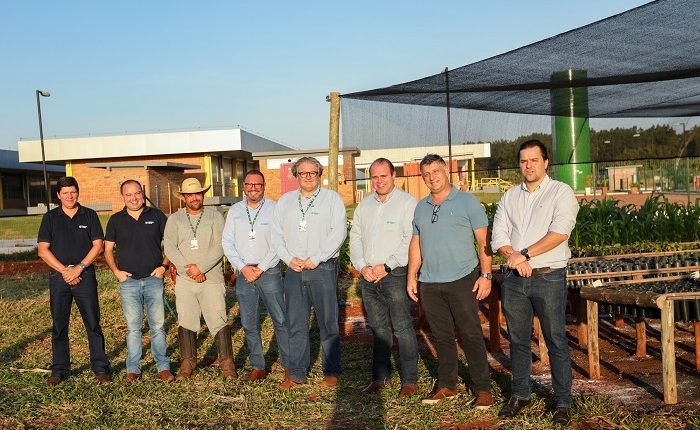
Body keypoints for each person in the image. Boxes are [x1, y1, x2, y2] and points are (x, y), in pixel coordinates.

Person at [491, 139, 579, 426]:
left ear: (545, 162)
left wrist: (524, 254)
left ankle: (563, 401)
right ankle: (520, 394)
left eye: (533, 160)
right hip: (515, 281)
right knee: (517, 339)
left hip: (549, 277)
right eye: (523, 161)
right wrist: (514, 257)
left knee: (555, 339)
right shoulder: (510, 197)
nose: (527, 165)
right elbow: (499, 236)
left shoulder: (561, 193)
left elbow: (560, 233)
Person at [407, 154, 493, 408]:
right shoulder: (421, 207)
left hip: (462, 278)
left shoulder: (468, 202)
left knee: (470, 334)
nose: (431, 177)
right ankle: (447, 385)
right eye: (426, 174)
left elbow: (483, 242)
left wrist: (486, 275)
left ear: (446, 171)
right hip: (430, 282)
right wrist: (412, 275)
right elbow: (416, 243)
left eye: (436, 171)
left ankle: (483, 389)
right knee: (442, 336)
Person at [271, 156, 347, 390]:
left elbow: (339, 232)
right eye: (303, 173)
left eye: (312, 172)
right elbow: (276, 234)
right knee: (296, 323)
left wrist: (316, 258)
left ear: (319, 174)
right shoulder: (285, 202)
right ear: (296, 175)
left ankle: (331, 370)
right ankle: (297, 373)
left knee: (328, 322)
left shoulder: (332, 199)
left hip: (322, 267)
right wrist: (287, 258)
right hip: (294, 269)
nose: (308, 177)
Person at [349, 158, 419, 398]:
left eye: (384, 176)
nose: (379, 181)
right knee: (378, 328)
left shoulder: (407, 203)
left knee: (402, 327)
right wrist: (361, 266)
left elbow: (411, 239)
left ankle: (409, 381)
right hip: (369, 276)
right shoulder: (365, 205)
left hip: (395, 274)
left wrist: (386, 267)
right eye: (375, 177)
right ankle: (380, 377)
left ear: (393, 176)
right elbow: (355, 236)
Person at [37, 176, 111, 385]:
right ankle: (59, 370)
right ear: (59, 195)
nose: (70, 196)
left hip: (85, 276)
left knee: (93, 323)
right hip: (59, 278)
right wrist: (64, 271)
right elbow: (43, 250)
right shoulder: (50, 218)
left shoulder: (89, 215)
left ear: (78, 192)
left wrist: (79, 268)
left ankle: (100, 368)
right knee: (59, 325)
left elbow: (98, 245)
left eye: (73, 192)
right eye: (65, 193)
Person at [163, 177, 236, 380]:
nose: (194, 198)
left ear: (203, 194)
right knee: (186, 318)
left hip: (210, 277)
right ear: (183, 197)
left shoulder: (215, 216)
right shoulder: (175, 219)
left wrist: (201, 267)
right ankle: (188, 364)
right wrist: (189, 271)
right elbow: (169, 247)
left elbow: (220, 245)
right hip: (186, 280)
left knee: (219, 317)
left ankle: (227, 364)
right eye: (190, 194)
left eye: (198, 193)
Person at [222, 170, 289, 382]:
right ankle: (258, 365)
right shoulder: (234, 211)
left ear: (264, 186)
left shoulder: (275, 208)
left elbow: (280, 243)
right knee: (250, 323)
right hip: (244, 273)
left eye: (257, 184)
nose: (253, 188)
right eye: (249, 184)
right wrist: (243, 267)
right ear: (243, 186)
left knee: (280, 319)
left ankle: (289, 365)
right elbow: (227, 242)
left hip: (269, 272)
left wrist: (260, 268)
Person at [104, 180, 174, 382]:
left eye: (137, 193)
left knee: (158, 326)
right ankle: (133, 368)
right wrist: (116, 271)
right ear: (123, 197)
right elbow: (108, 250)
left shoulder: (156, 216)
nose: (134, 198)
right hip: (129, 282)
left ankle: (163, 367)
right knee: (133, 328)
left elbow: (170, 243)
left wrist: (164, 265)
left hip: (153, 279)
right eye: (129, 195)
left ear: (142, 194)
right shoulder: (116, 220)